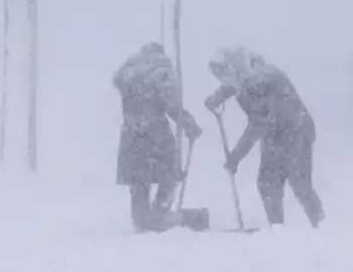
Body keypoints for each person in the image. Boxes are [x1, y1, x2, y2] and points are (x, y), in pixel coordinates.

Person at [205, 47, 325, 228]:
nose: (224, 79)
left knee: (299, 183)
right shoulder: (246, 73)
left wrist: (235, 156)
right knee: (268, 183)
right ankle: (277, 230)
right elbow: (235, 84)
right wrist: (218, 97)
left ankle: (322, 227)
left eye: (224, 75)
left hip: (296, 131)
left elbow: (258, 125)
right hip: (275, 134)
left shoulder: (262, 81)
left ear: (234, 67)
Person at [113, 41, 203, 232]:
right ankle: (162, 214)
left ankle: (140, 219)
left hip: (131, 134)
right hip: (156, 133)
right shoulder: (161, 71)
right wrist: (189, 124)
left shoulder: (127, 73)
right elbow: (170, 105)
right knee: (169, 173)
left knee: (138, 179)